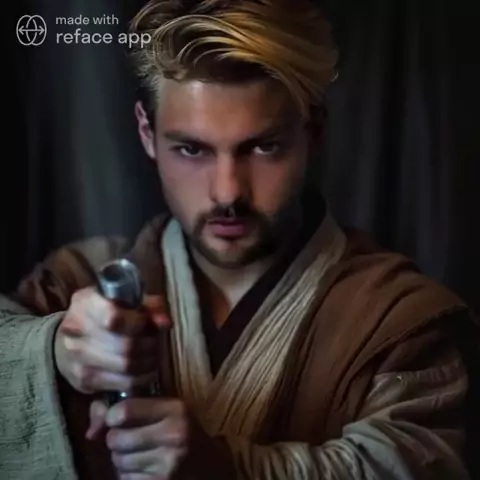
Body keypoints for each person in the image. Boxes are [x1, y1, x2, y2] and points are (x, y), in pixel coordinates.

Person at [1, 0, 479, 479]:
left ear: (312, 134)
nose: (228, 192)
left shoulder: (400, 320)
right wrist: (55, 350)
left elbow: (413, 461)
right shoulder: (74, 280)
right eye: (192, 149)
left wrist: (225, 468)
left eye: (263, 147)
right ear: (147, 134)